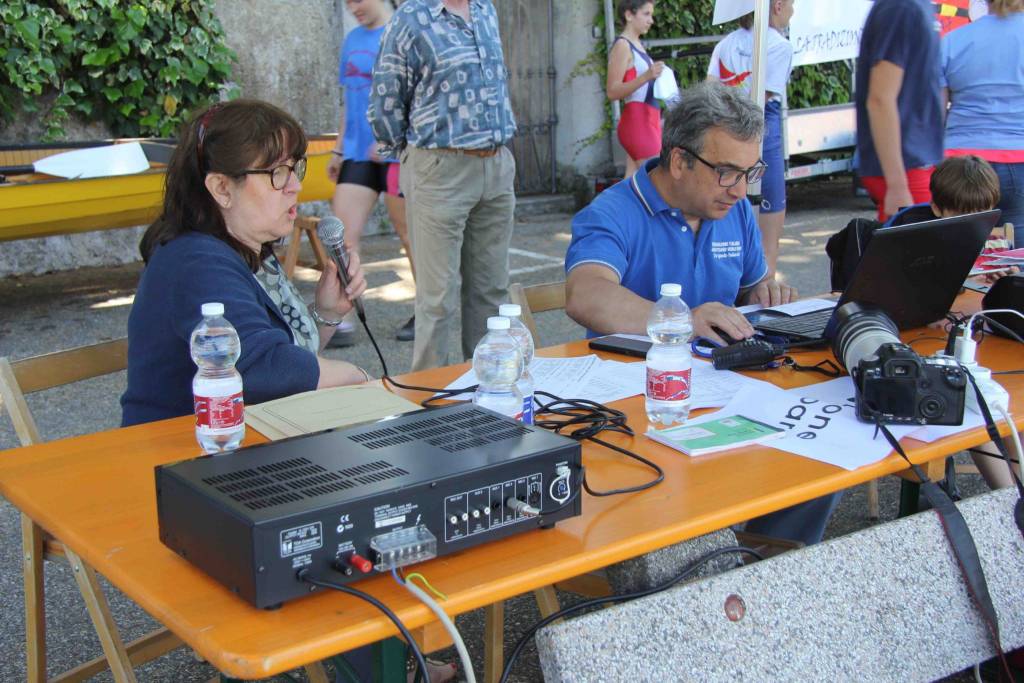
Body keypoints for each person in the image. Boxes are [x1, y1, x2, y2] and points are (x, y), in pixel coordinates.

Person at [565, 81, 840, 546]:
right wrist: (681, 320)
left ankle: (761, 564)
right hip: (642, 414)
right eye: (727, 172)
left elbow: (755, 286)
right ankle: (725, 572)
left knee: (820, 454)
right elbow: (585, 294)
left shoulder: (731, 211)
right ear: (678, 160)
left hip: (723, 395)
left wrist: (771, 294)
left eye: (750, 172)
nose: (740, 190)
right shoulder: (612, 212)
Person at [121, 100, 370, 427]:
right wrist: (360, 377)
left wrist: (327, 312)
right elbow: (261, 369)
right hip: (176, 455)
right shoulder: (195, 261)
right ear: (222, 188)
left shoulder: (247, 252)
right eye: (277, 173)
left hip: (230, 441)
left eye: (295, 168)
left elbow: (285, 359)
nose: (295, 185)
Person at [368, 0, 517, 372]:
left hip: (496, 165)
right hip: (439, 167)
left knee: (492, 293)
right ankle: (428, 405)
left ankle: (490, 391)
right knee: (437, 300)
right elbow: (386, 99)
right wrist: (411, 157)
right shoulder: (411, 18)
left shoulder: (485, 10)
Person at [327, 0, 416, 344]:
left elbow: (418, 97)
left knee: (410, 238)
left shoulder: (404, 33)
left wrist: (393, 138)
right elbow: (350, 100)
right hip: (357, 153)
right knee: (342, 237)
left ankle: (425, 312)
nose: (353, 8)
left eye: (357, 0)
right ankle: (343, 317)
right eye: (347, 3)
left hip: (397, 154)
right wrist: (338, 147)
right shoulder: (352, 41)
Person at [707, 0, 795, 276]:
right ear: (778, 6)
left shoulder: (725, 44)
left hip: (723, 135)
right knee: (768, 244)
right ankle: (762, 298)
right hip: (761, 134)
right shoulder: (780, 46)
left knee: (726, 234)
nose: (793, 12)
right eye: (792, 5)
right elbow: (761, 100)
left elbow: (710, 93)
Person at [939, 0, 1024, 247]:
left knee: (959, 255)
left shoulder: (953, 42)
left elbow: (936, 115)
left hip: (961, 163)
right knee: (1017, 256)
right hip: (1020, 160)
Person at [855, 0, 944, 223]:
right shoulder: (900, 7)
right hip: (907, 166)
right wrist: (897, 183)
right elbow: (880, 99)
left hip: (916, 162)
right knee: (917, 254)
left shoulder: (914, 6)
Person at [607, 0, 665, 178]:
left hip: (647, 121)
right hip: (638, 123)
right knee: (657, 183)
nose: (651, 20)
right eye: (646, 14)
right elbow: (612, 91)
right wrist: (646, 76)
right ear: (629, 15)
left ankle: (611, 207)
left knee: (632, 188)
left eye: (651, 15)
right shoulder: (622, 46)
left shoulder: (636, 44)